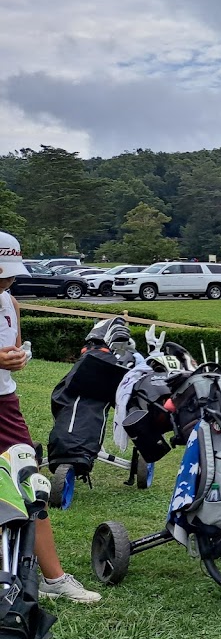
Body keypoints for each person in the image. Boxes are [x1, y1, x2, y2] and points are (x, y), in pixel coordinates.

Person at [0, 231, 100, 603]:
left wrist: (16, 359)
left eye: (10, 271)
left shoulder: (10, 301)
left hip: (4, 404)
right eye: (2, 271)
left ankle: (53, 579)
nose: (9, 279)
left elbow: (12, 350)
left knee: (30, 483)